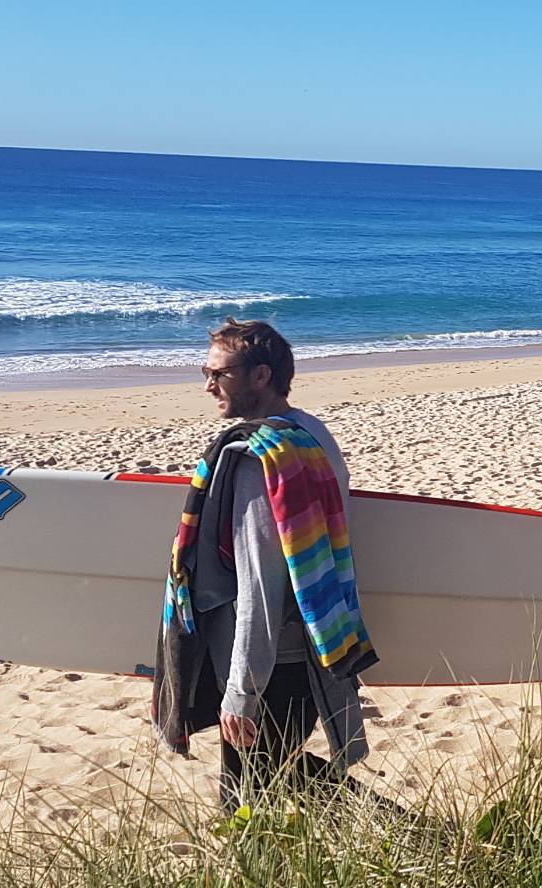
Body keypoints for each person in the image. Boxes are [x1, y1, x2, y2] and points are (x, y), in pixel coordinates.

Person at [152, 317, 376, 808]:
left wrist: (242, 693)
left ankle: (408, 836)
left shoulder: (257, 461)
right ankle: (405, 834)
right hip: (312, 647)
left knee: (245, 804)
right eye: (205, 371)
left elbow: (260, 584)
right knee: (280, 776)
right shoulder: (309, 433)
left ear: (260, 375)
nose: (208, 384)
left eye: (219, 373)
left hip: (270, 663)